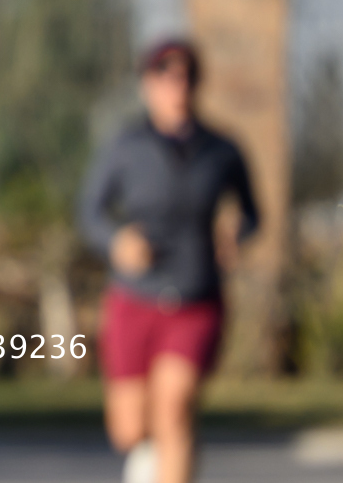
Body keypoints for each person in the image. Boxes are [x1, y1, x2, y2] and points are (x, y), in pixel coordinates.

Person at [78, 39, 258, 483]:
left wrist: (237, 230)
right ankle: (155, 460)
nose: (178, 87)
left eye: (186, 76)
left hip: (195, 296)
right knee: (130, 428)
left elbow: (253, 213)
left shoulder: (222, 151)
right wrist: (117, 240)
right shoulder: (126, 145)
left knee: (174, 406)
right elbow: (89, 212)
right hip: (134, 298)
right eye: (166, 76)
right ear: (148, 85)